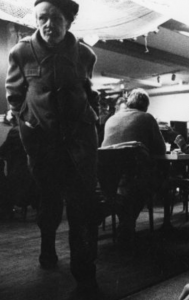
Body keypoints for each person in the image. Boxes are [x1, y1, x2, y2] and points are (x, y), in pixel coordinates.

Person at [6, 0, 100, 297]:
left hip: (80, 142)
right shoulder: (20, 52)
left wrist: (90, 119)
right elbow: (14, 95)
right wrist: (30, 122)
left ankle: (84, 275)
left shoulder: (85, 54)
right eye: (42, 18)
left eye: (55, 18)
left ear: (69, 21)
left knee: (80, 207)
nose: (48, 24)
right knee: (49, 203)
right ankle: (47, 247)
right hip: (43, 144)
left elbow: (88, 91)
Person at [101, 88, 166, 250]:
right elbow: (161, 149)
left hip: (109, 182)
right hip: (135, 179)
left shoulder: (111, 120)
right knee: (150, 183)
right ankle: (127, 225)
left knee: (128, 190)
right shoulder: (147, 118)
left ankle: (125, 223)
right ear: (145, 106)